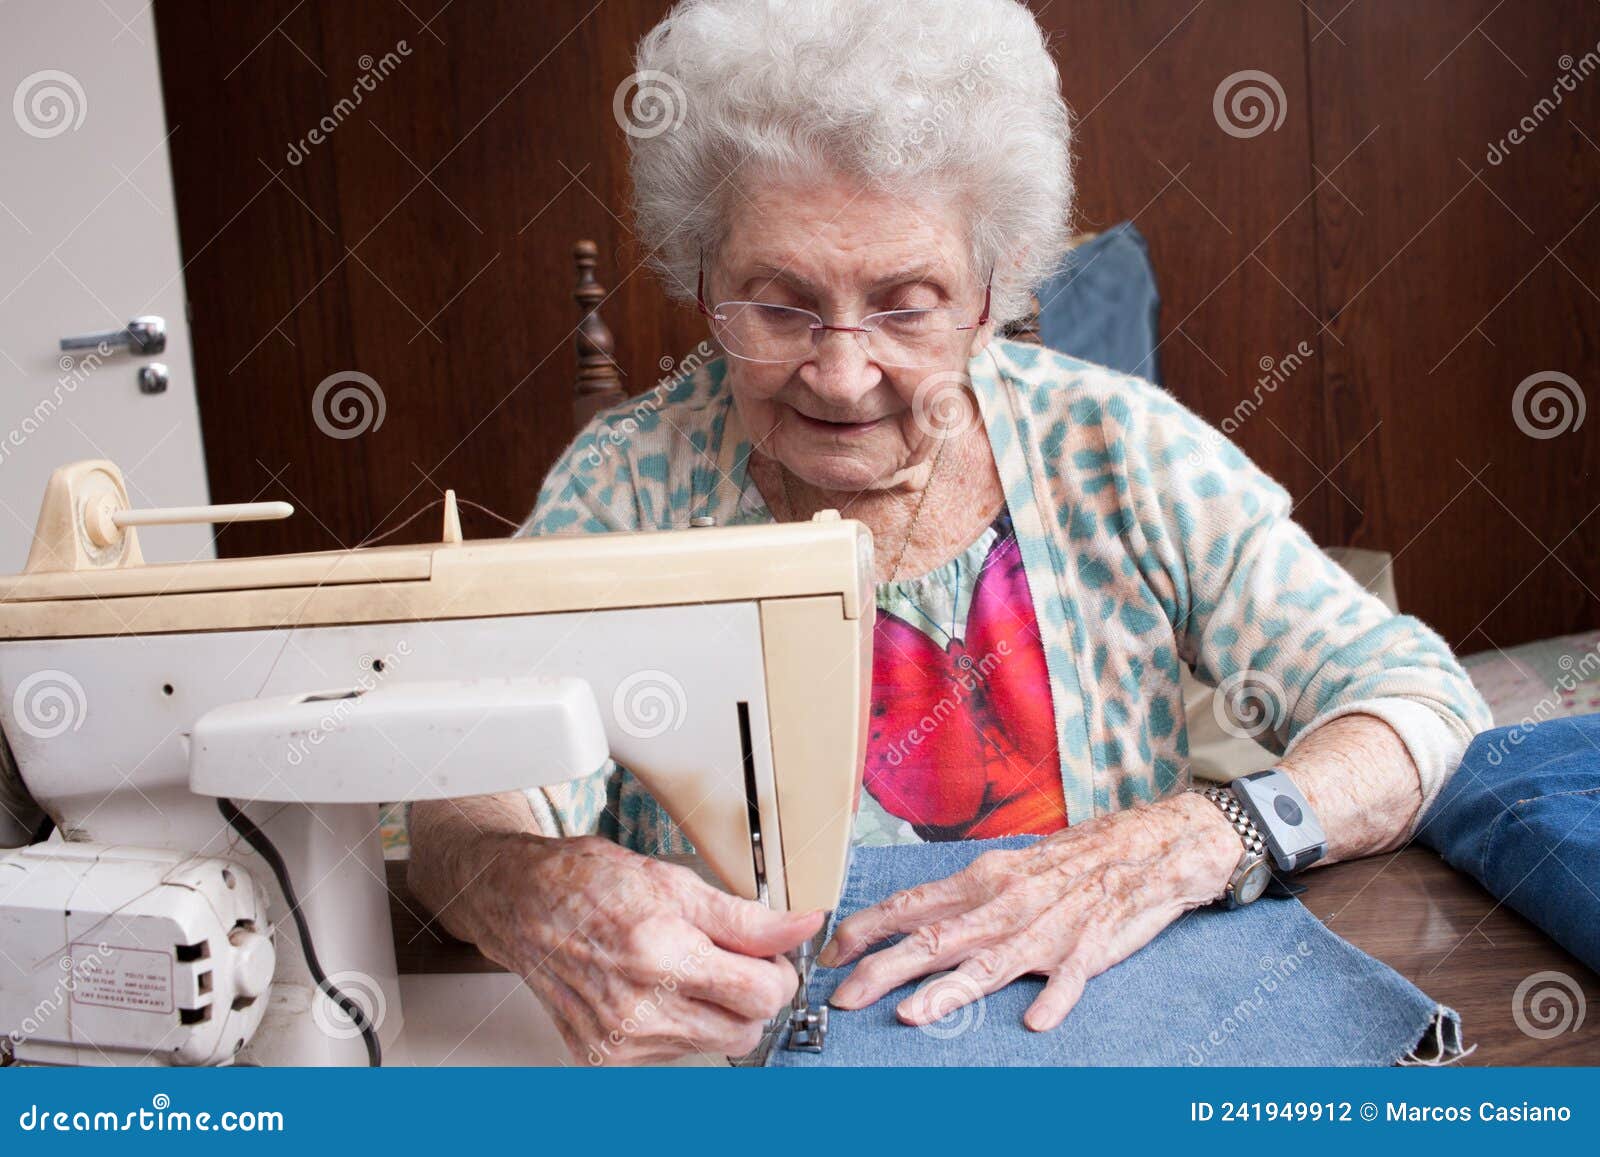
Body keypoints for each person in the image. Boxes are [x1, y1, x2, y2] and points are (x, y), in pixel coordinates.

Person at [409, 0, 1492, 1064]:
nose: (839, 374)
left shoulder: (1117, 450)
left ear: (990, 288)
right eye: (779, 305)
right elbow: (462, 799)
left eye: (903, 303)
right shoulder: (628, 484)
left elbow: (1422, 704)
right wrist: (528, 883)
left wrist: (1195, 838)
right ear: (702, 279)